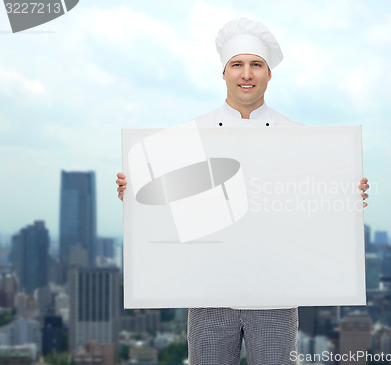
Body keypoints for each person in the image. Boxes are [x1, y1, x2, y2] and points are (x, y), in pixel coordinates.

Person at [116, 17, 369, 365]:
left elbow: (315, 206)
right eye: (237, 64)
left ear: (269, 73)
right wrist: (132, 194)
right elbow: (165, 205)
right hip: (209, 293)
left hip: (275, 295)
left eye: (256, 65)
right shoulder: (190, 136)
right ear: (223, 73)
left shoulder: (300, 137)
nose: (246, 74)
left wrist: (349, 193)